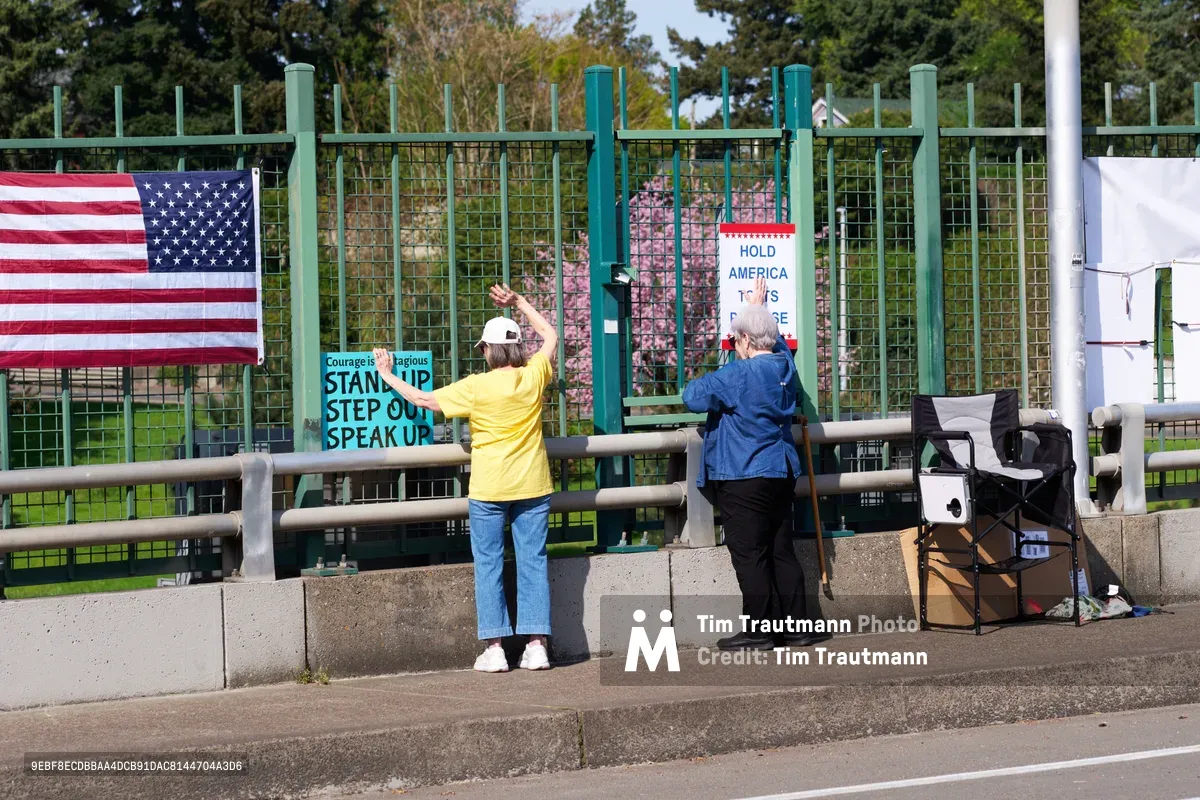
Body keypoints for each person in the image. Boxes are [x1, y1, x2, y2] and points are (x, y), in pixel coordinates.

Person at [372, 284, 558, 673]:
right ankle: (537, 645)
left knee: (489, 564)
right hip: (534, 485)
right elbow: (552, 335)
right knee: (533, 562)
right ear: (519, 348)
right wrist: (518, 302)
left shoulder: (476, 386)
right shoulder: (536, 373)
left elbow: (423, 400)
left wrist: (387, 374)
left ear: (488, 351)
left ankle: (495, 649)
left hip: (490, 488)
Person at [682, 277, 831, 651]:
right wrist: (758, 309)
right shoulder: (783, 369)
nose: (734, 346)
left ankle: (760, 629)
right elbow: (778, 346)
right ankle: (799, 626)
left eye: (735, 341)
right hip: (780, 471)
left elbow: (692, 397)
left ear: (745, 341)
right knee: (780, 548)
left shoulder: (737, 373)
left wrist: (736, 352)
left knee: (749, 553)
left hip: (742, 474)